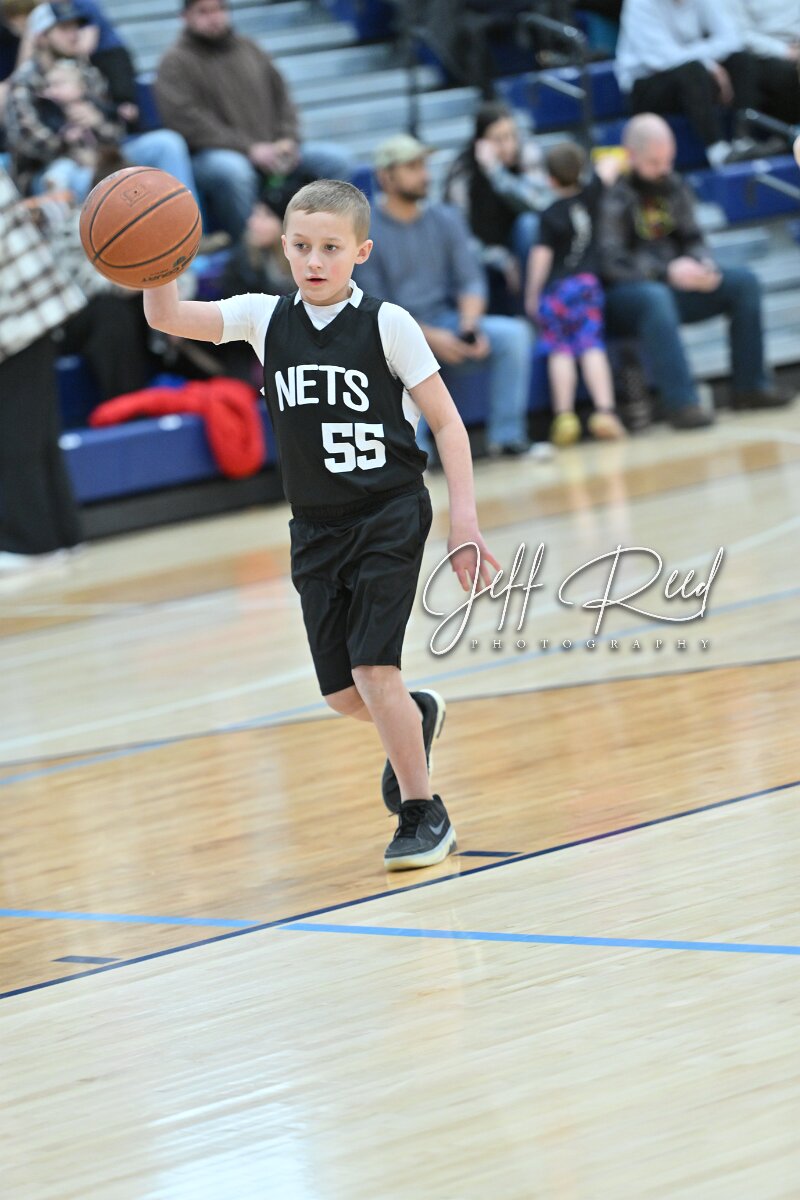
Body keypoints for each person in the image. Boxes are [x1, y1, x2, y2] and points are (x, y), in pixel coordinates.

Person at [143, 178, 499, 871]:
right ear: (283, 246)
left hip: (389, 511)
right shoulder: (262, 317)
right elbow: (167, 317)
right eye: (302, 246)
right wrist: (157, 262)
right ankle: (415, 715)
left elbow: (449, 425)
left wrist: (465, 523)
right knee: (343, 694)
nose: (314, 260)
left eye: (331, 248)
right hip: (315, 525)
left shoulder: (389, 324)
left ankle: (424, 812)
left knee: (373, 668)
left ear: (361, 252)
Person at [598, 114, 794, 427]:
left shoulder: (674, 184)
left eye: (668, 160)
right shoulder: (612, 192)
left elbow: (694, 238)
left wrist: (702, 265)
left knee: (743, 283)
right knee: (655, 297)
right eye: (654, 162)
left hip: (673, 286)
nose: (664, 169)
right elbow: (611, 260)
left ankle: (750, 387)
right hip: (628, 295)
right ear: (631, 155)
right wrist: (666, 272)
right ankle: (682, 404)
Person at [355, 133, 534, 458]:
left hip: (446, 321)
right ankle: (415, 459)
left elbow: (471, 281)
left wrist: (469, 326)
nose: (424, 175)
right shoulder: (366, 232)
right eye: (412, 167)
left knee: (514, 335)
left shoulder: (446, 218)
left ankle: (507, 438)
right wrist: (429, 339)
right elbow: (375, 309)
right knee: (397, 359)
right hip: (393, 337)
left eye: (424, 166)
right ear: (385, 177)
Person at [154, 0, 352, 241]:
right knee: (234, 171)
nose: (214, 18)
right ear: (185, 17)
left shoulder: (250, 48)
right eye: (203, 12)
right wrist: (249, 149)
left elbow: (283, 98)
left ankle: (329, 240)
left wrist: (287, 139)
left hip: (272, 149)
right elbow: (186, 121)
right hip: (210, 156)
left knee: (336, 160)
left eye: (219, 9)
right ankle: (250, 250)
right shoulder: (174, 62)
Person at [5, 0, 200, 201]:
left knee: (167, 143)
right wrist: (69, 141)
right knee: (81, 177)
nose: (74, 34)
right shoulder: (24, 82)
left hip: (104, 157)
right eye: (64, 28)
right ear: (42, 36)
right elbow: (27, 143)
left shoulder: (87, 73)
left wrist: (96, 120)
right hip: (53, 169)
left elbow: (118, 132)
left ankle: (186, 218)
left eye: (75, 27)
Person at [0, 164, 85, 573]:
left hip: (14, 317)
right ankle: (63, 534)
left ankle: (31, 543)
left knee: (14, 436)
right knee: (39, 434)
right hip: (32, 307)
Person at [526, 141, 626, 446]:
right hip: (588, 286)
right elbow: (609, 168)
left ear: (550, 179)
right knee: (591, 346)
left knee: (561, 351)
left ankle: (565, 416)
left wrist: (532, 294)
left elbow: (541, 257)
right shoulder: (591, 196)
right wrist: (613, 159)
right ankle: (605, 411)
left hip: (558, 290)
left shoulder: (549, 214)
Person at [615, 0, 786, 167]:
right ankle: (718, 151)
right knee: (692, 70)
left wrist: (706, 63)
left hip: (692, 75)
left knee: (741, 60)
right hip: (644, 87)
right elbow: (662, 58)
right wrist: (710, 65)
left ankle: (743, 140)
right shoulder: (640, 3)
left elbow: (732, 38)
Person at [444, 102, 551, 299]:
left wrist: (497, 174)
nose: (508, 145)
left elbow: (540, 205)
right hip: (483, 254)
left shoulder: (527, 154)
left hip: (522, 249)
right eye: (498, 139)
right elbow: (459, 234)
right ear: (480, 143)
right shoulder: (463, 171)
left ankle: (532, 305)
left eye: (512, 136)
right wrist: (501, 259)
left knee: (529, 224)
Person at [728, 0, 800, 127]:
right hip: (763, 54)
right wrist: (785, 51)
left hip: (796, 44)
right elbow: (742, 35)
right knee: (784, 73)